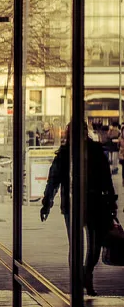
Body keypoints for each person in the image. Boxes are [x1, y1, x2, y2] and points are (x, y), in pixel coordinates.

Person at [41, 123, 118, 296]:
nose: (81, 134)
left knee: (95, 245)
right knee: (76, 245)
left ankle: (86, 273)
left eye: (83, 130)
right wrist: (47, 201)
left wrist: (111, 201)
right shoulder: (64, 153)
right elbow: (54, 178)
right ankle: (78, 281)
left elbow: (106, 178)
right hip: (72, 204)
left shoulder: (96, 151)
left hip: (95, 203)